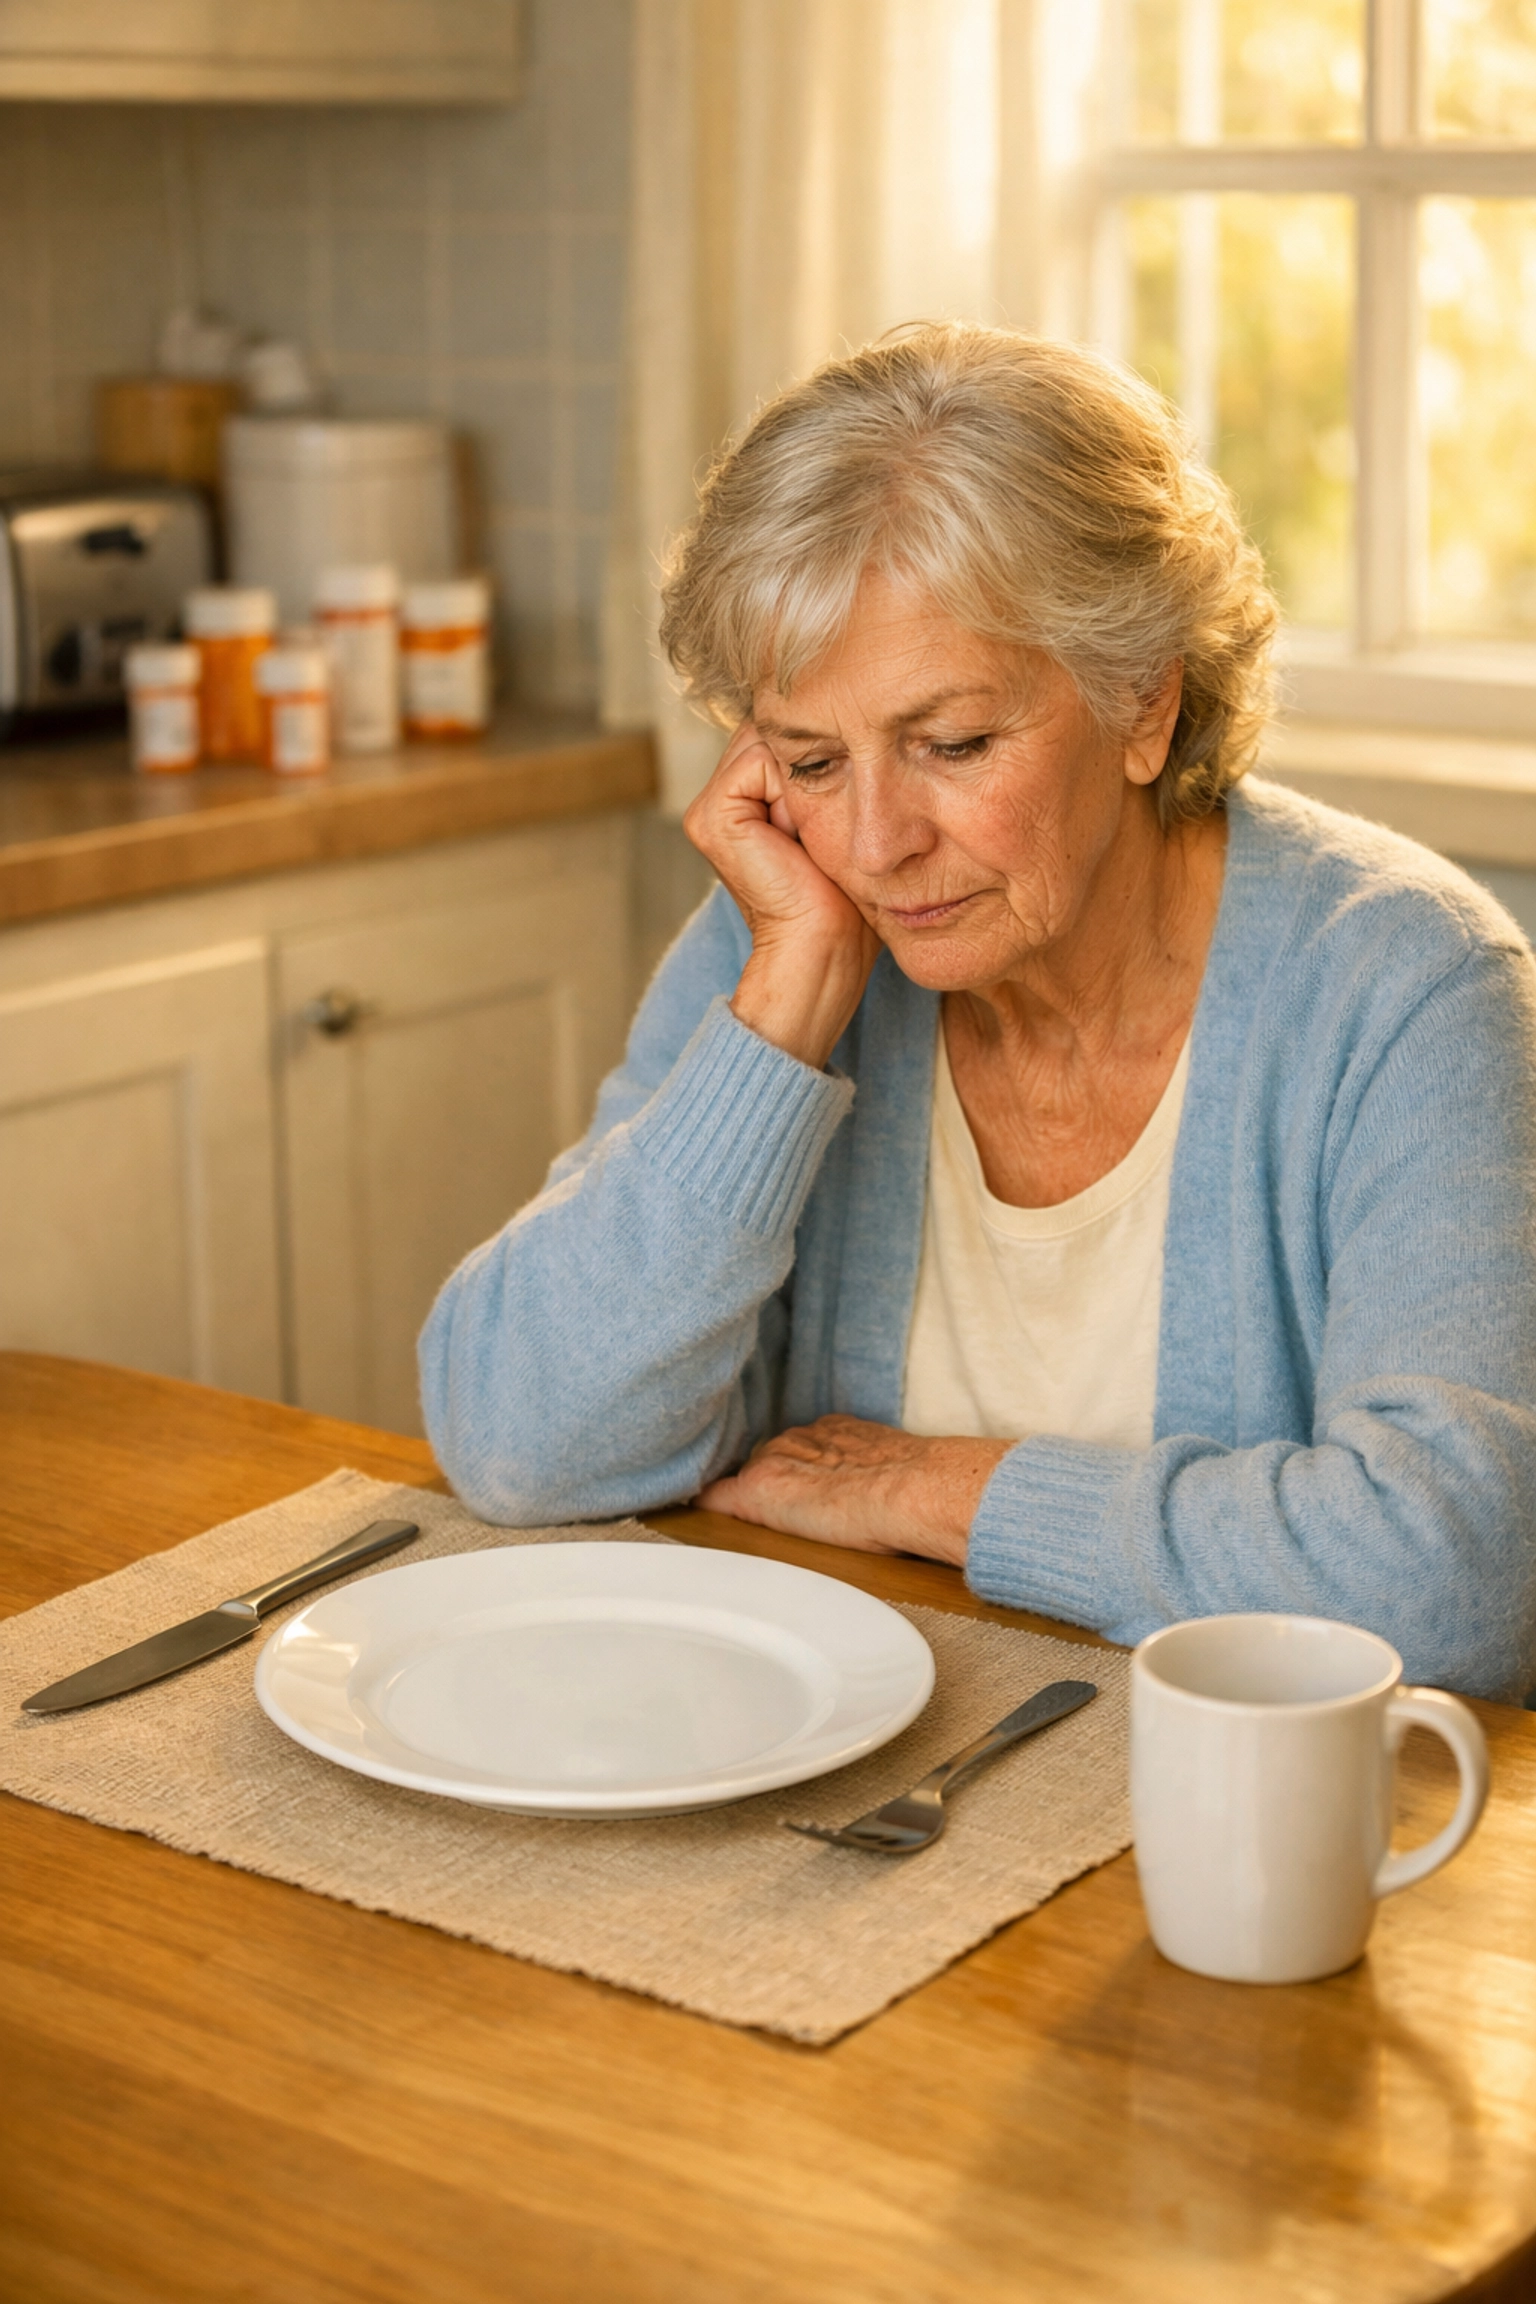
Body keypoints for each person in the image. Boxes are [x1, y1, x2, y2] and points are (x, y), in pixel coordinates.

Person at [420, 323, 1536, 1702]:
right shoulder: (796, 926)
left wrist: (941, 1492)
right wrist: (776, 1022)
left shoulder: (1404, 986)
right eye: (813, 758)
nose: (877, 843)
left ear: (1144, 701)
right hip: (849, 1796)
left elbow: (1455, 1582)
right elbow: (519, 1442)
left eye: (951, 746)